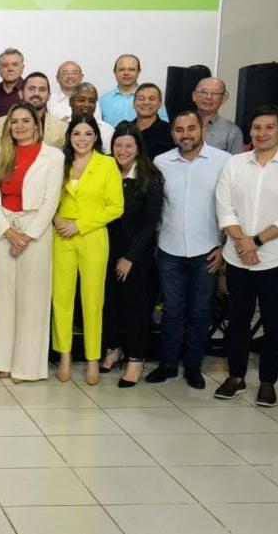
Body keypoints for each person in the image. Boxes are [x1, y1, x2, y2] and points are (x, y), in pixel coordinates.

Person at [214, 105, 278, 407]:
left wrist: (255, 241)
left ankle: (268, 382)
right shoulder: (235, 164)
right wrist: (242, 242)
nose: (262, 133)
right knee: (238, 320)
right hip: (237, 256)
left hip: (277, 259)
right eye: (257, 127)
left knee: (273, 323)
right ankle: (236, 376)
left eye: (269, 127)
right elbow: (224, 206)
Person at [147, 111, 231, 388]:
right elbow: (157, 207)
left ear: (202, 129)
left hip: (207, 250)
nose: (186, 135)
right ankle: (168, 363)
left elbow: (232, 206)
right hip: (169, 249)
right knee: (171, 309)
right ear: (172, 133)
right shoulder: (161, 162)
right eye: (179, 130)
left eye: (191, 128)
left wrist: (225, 246)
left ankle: (193, 366)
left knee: (200, 311)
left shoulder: (223, 162)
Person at [0, 103, 65, 382]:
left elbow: (51, 200)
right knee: (2, 298)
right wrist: (7, 231)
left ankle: (27, 367)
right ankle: (2, 361)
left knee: (33, 300)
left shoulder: (53, 156)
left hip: (35, 232)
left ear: (36, 125)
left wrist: (27, 235)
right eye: (14, 121)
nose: (19, 126)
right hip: (4, 229)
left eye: (25, 120)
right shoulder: (0, 154)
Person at [51, 113, 124, 385]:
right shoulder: (60, 163)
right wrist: (56, 218)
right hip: (62, 236)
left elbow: (116, 207)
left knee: (93, 300)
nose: (82, 139)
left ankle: (93, 358)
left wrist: (79, 225)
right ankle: (64, 356)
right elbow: (48, 198)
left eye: (88, 134)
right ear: (69, 136)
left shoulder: (107, 164)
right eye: (76, 133)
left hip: (92, 236)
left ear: (96, 137)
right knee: (61, 298)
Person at [101, 123, 164, 387]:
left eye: (128, 146)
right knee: (109, 303)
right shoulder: (106, 170)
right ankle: (113, 348)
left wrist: (130, 257)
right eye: (118, 145)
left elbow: (149, 223)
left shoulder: (150, 176)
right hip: (105, 248)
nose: (122, 151)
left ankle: (136, 359)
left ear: (138, 148)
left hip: (136, 254)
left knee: (135, 306)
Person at [0, 72, 65, 150]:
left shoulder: (61, 127)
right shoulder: (3, 122)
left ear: (49, 96)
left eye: (42, 89)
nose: (36, 93)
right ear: (21, 94)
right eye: (31, 89)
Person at [98, 54, 169, 127]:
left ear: (138, 72)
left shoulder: (152, 100)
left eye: (131, 69)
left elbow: (163, 126)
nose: (126, 73)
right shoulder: (103, 100)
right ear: (115, 72)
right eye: (122, 69)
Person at [192, 75, 244, 153]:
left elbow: (236, 160)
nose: (209, 97)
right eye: (204, 92)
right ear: (194, 96)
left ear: (223, 98)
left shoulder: (232, 131)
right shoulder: (180, 126)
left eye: (215, 93)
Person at [132, 83, 174, 159]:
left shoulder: (170, 132)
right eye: (141, 99)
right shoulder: (125, 130)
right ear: (133, 103)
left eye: (152, 99)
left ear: (160, 104)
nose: (146, 102)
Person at [69, 82, 115, 151]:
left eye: (92, 101)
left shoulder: (107, 130)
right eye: (81, 100)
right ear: (71, 102)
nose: (86, 105)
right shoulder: (62, 127)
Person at [0, 47, 26, 127]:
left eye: (15, 65)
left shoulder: (30, 91)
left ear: (22, 68)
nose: (10, 69)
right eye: (5, 65)